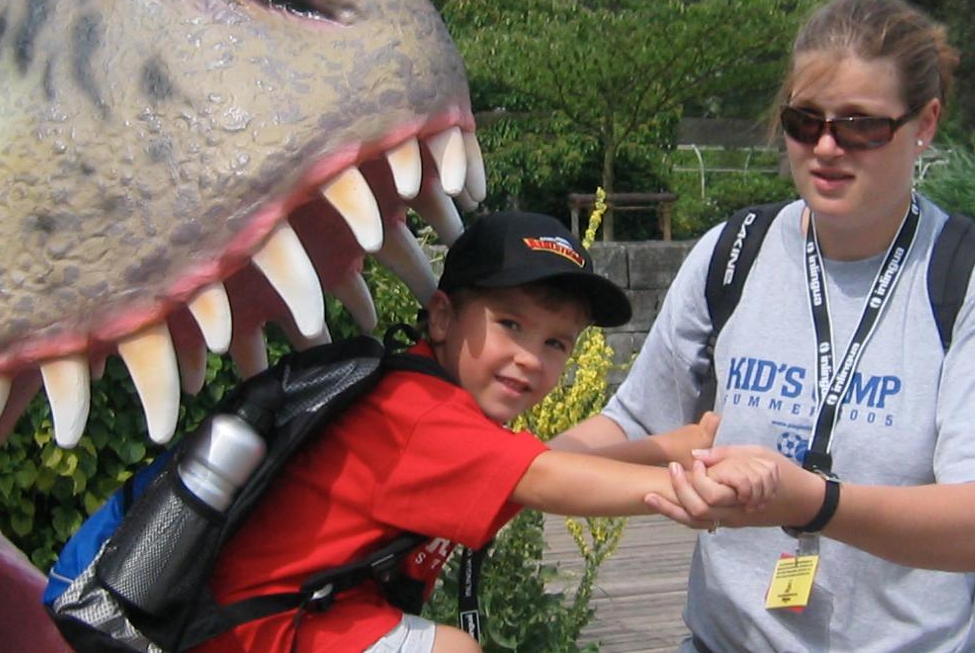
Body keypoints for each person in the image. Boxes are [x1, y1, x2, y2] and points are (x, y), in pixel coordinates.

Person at [552, 0, 975, 652]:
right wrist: (508, 468)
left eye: (860, 126)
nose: (825, 146)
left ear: (924, 123)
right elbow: (640, 421)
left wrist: (812, 502)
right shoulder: (733, 253)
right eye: (803, 120)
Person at [198, 211, 777, 653]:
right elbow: (547, 478)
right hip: (265, 632)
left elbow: (535, 467)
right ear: (444, 317)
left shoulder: (432, 400)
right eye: (510, 325)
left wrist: (667, 448)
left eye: (556, 343)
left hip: (290, 618)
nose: (530, 358)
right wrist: (691, 487)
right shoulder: (421, 413)